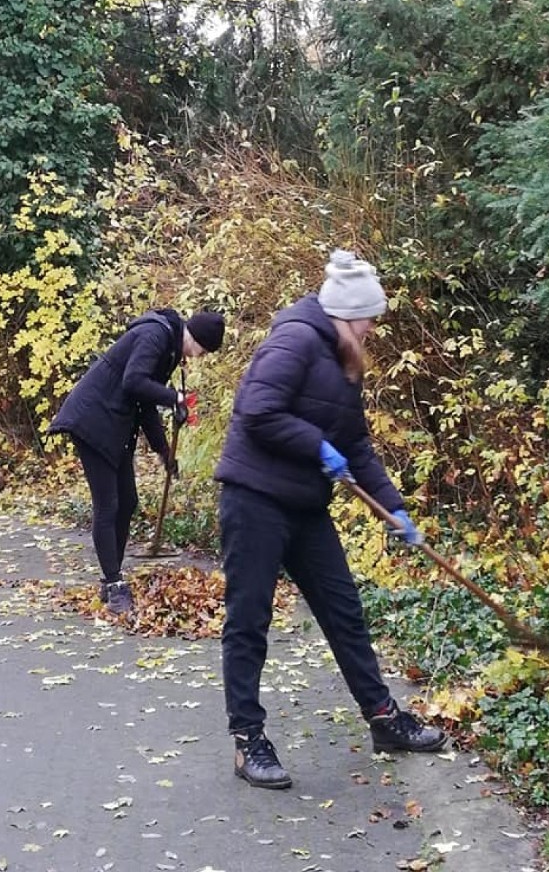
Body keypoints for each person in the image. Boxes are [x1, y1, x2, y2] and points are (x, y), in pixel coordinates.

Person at [214, 249, 447, 789]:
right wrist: (316, 445)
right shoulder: (295, 339)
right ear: (345, 313)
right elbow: (257, 410)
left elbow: (357, 445)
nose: (372, 328)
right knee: (249, 621)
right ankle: (249, 740)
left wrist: (396, 510)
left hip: (304, 506)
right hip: (254, 499)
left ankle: (384, 719)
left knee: (345, 612)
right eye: (368, 318)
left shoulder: (345, 359)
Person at [49, 307, 225, 614]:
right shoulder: (154, 335)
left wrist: (164, 453)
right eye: (203, 350)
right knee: (109, 504)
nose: (200, 357)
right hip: (93, 421)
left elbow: (144, 404)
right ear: (196, 338)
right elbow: (133, 381)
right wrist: (174, 398)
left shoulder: (168, 348)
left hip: (115, 426)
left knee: (127, 501)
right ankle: (114, 584)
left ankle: (110, 579)